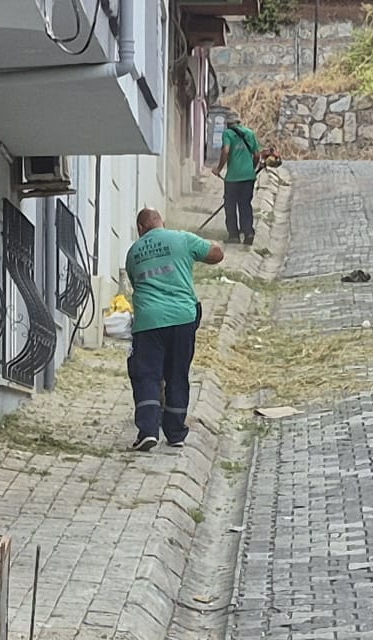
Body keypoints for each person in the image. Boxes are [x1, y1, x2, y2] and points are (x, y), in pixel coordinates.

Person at [124, 208, 224, 451]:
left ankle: (148, 431)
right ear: (162, 223)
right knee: (177, 374)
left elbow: (135, 282)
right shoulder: (181, 238)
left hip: (148, 322)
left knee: (147, 375)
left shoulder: (133, 252)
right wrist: (211, 244)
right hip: (182, 318)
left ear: (140, 229)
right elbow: (216, 255)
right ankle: (176, 433)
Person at [216, 112, 263, 245]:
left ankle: (234, 236)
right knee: (245, 204)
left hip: (232, 178)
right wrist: (251, 169)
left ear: (228, 124)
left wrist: (219, 169)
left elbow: (225, 150)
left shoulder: (227, 134)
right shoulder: (250, 133)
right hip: (249, 177)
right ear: (239, 122)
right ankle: (248, 232)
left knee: (230, 205)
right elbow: (257, 154)